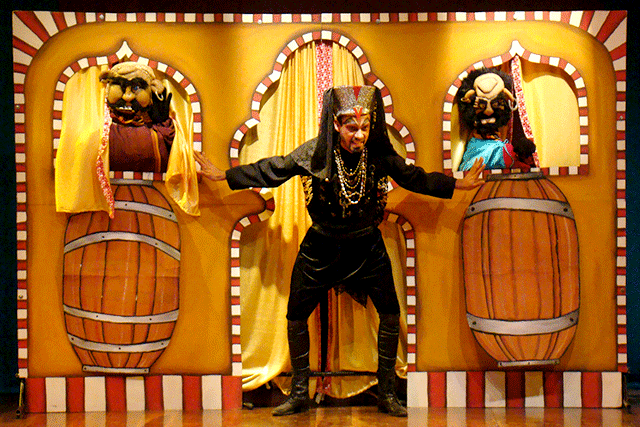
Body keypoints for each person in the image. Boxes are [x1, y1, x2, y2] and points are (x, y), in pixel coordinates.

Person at [195, 85, 485, 417]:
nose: (359, 135)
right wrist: (225, 176)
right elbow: (274, 169)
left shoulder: (377, 154)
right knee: (295, 314)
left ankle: (387, 394)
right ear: (335, 124)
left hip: (367, 246)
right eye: (351, 127)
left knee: (391, 313)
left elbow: (412, 177)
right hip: (321, 247)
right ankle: (300, 394)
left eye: (364, 127)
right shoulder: (315, 153)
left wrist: (456, 184)